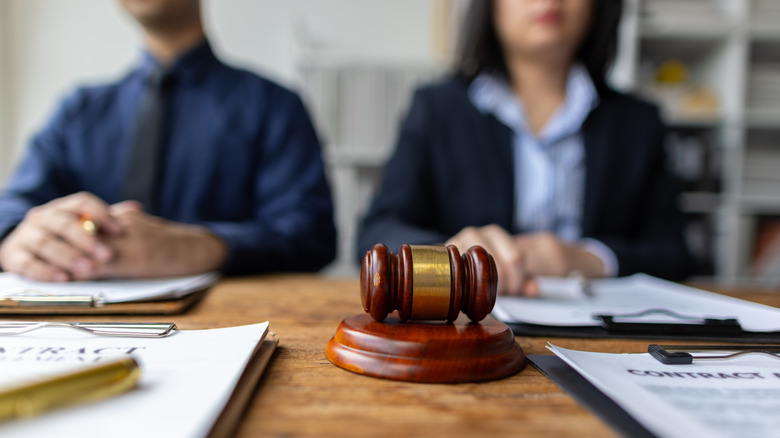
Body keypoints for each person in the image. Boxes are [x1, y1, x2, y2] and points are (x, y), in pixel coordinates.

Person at [359, 0, 693, 295]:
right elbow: (378, 231)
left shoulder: (638, 122)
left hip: (601, 329)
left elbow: (673, 253)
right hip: (471, 327)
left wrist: (589, 258)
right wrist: (449, 255)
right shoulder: (436, 108)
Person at [0, 0, 336, 281]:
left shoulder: (274, 106)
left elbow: (311, 233)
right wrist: (16, 238)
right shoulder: (77, 111)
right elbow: (12, 207)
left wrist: (201, 246)